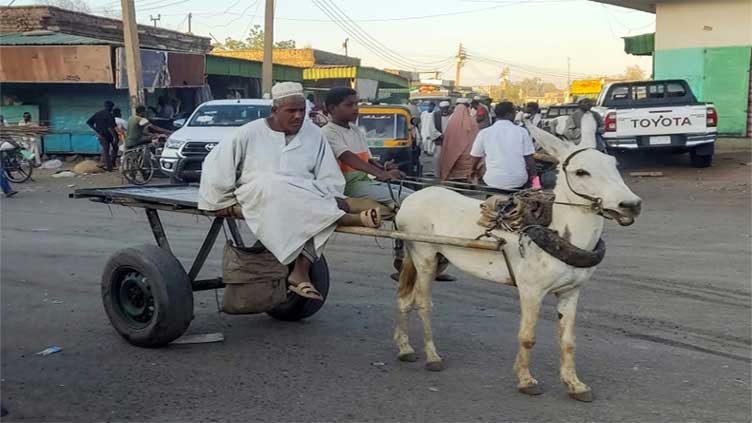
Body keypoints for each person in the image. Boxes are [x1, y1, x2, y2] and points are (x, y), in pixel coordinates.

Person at [199, 82, 382, 301]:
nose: (298, 116)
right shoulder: (249, 132)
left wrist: (332, 193)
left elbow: (328, 174)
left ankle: (300, 272)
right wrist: (221, 200)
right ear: (274, 111)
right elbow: (216, 164)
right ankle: (344, 218)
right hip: (260, 190)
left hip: (306, 193)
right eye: (291, 111)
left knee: (306, 199)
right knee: (276, 182)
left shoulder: (314, 134)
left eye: (302, 111)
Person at [322, 87, 411, 218]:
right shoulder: (328, 132)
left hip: (365, 182)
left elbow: (368, 159)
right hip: (348, 186)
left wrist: (384, 168)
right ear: (332, 108)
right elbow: (347, 157)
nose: (355, 108)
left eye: (356, 103)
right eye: (349, 105)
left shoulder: (356, 130)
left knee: (413, 195)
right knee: (406, 199)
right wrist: (381, 174)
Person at [470, 102, 538, 191]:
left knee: (492, 202)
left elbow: (475, 156)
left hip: (493, 181)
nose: (515, 115)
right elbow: (529, 158)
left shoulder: (484, 133)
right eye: (514, 112)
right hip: (518, 181)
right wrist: (535, 181)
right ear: (508, 114)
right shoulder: (522, 132)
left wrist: (473, 170)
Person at [438, 102, 480, 182]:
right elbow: (477, 136)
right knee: (469, 169)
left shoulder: (452, 122)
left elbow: (448, 138)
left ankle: (458, 184)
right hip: (469, 153)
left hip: (455, 153)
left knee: (456, 169)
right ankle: (470, 181)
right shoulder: (472, 121)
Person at [86, 101, 118, 171]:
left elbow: (89, 122)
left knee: (106, 150)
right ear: (111, 107)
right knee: (114, 148)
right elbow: (110, 127)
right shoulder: (110, 115)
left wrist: (97, 131)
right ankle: (111, 165)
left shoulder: (98, 113)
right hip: (109, 135)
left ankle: (109, 166)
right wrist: (115, 137)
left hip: (101, 135)